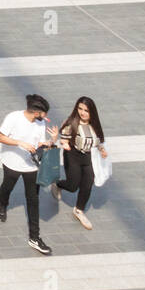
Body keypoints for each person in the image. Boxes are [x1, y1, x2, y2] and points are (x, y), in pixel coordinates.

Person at [0, 94, 56, 255]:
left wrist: (50, 142)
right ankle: (2, 204)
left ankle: (34, 237)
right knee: (7, 187)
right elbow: (0, 137)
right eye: (44, 113)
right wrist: (20, 142)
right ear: (36, 112)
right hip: (12, 163)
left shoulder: (40, 123)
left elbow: (40, 143)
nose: (45, 117)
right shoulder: (13, 118)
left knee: (33, 200)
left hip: (32, 166)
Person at [50, 96, 108, 230]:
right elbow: (63, 139)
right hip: (72, 155)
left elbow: (98, 141)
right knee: (72, 185)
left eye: (86, 110)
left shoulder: (95, 125)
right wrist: (64, 144)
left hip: (88, 157)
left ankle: (79, 210)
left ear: (92, 111)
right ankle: (58, 183)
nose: (82, 112)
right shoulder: (71, 122)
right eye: (80, 109)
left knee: (87, 184)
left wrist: (102, 150)